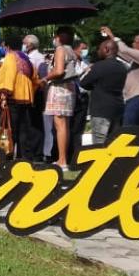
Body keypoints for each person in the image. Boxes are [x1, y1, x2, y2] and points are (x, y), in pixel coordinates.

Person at [0, 34, 40, 160]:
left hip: (11, 98)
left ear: (6, 46)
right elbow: (35, 79)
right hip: (25, 99)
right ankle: (23, 157)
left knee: (8, 129)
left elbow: (8, 77)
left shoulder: (10, 57)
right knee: (23, 130)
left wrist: (4, 96)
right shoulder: (26, 58)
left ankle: (6, 157)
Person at [41, 26, 79, 170]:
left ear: (59, 37)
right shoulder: (72, 51)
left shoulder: (61, 49)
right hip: (69, 89)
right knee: (64, 126)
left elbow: (58, 71)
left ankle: (62, 160)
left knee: (60, 125)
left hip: (59, 88)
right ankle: (62, 158)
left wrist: (45, 78)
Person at [101, 27, 139, 129]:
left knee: (127, 130)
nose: (133, 44)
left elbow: (124, 50)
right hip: (136, 97)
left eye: (136, 42)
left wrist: (111, 35)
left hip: (138, 97)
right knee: (137, 131)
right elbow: (121, 53)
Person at [79, 39, 127, 144]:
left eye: (100, 49)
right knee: (113, 143)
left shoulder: (98, 66)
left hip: (100, 109)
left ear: (106, 49)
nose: (98, 51)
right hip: (117, 108)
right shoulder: (123, 67)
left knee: (99, 143)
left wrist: (94, 85)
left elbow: (83, 83)